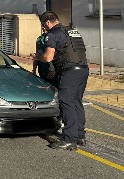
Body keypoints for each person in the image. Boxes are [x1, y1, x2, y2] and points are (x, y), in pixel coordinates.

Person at [32, 11, 88, 151]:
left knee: (66, 102)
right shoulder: (72, 31)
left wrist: (38, 58)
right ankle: (80, 136)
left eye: (43, 25)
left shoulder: (53, 34)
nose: (44, 28)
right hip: (83, 69)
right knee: (76, 101)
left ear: (47, 22)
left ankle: (69, 140)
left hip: (69, 71)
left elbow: (48, 57)